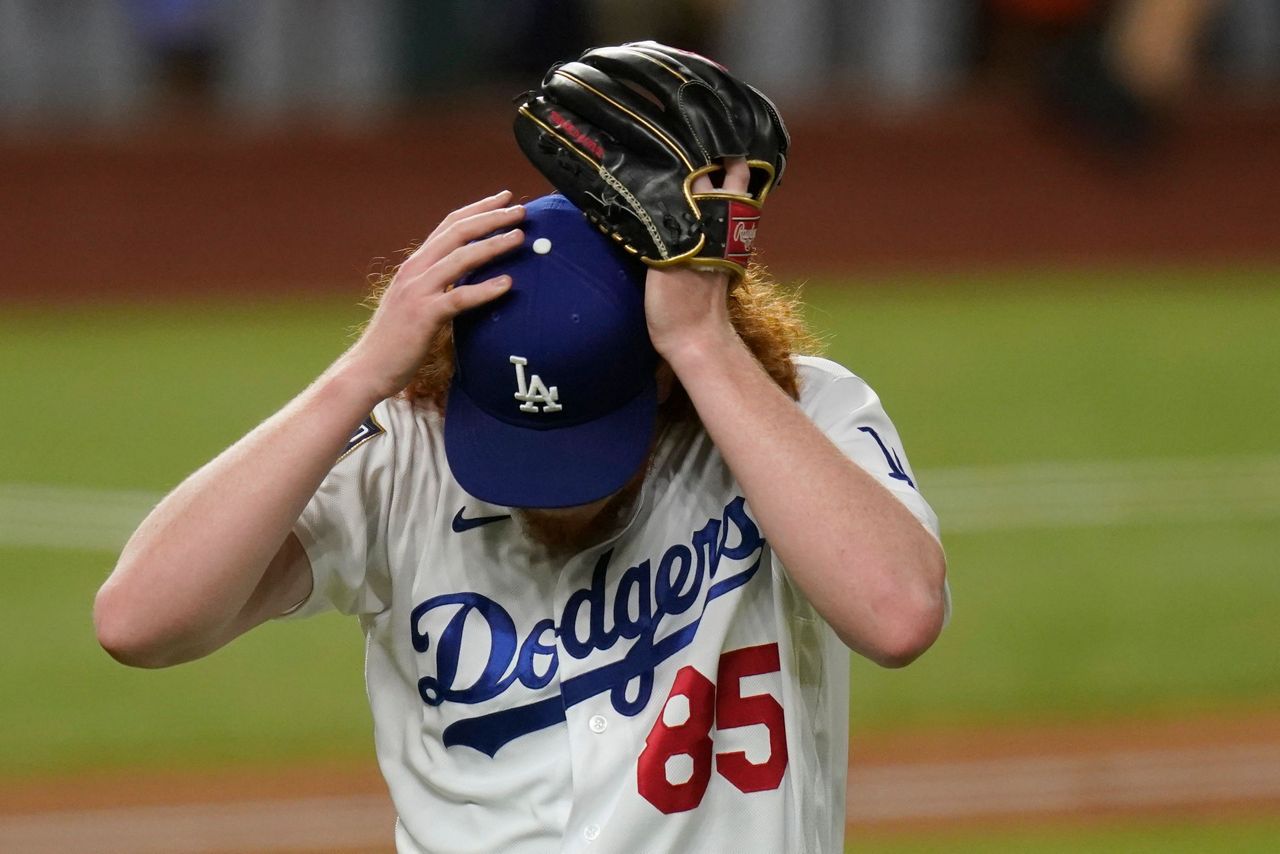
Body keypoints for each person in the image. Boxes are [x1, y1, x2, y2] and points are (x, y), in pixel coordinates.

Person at [94, 162, 948, 852]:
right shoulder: (406, 453)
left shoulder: (791, 415)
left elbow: (898, 614)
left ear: (658, 379)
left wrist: (703, 341)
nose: (553, 492)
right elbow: (140, 620)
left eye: (582, 446)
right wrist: (356, 377)